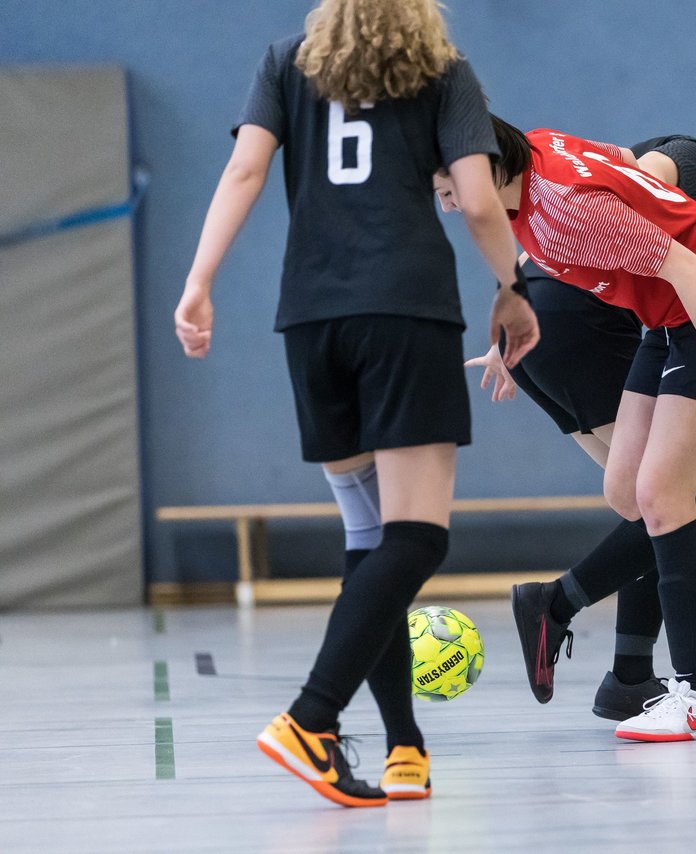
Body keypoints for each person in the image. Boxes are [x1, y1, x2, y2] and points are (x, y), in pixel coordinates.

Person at [174, 0, 538, 807]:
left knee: (370, 535)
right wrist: (514, 289)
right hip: (404, 309)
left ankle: (402, 746)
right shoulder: (445, 68)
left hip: (311, 317)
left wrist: (199, 282)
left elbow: (244, 171)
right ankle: (313, 716)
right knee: (416, 537)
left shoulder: (284, 58)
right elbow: (480, 201)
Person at [435, 116, 696, 742]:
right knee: (629, 493)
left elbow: (688, 266)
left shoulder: (577, 203)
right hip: (667, 322)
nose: (444, 201)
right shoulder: (533, 169)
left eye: (446, 186)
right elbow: (612, 175)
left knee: (666, 497)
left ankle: (695, 697)